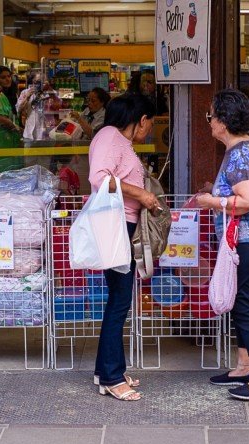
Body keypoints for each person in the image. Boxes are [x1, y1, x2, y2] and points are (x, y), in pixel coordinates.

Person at [195, 89, 249, 401]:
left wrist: (210, 201)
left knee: (244, 306)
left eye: (211, 116)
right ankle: (245, 366)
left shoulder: (241, 154)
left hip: (248, 239)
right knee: (242, 302)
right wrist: (215, 192)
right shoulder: (244, 150)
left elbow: (248, 200)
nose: (209, 123)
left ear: (224, 121)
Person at [88, 93, 159, 401]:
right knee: (119, 300)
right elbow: (99, 178)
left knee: (119, 298)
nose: (150, 130)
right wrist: (140, 195)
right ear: (141, 120)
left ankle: (106, 369)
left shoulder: (119, 141)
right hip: (116, 226)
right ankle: (112, 378)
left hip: (122, 225)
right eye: (150, 124)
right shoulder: (109, 136)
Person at [0, 65, 23, 172]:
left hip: (12, 143)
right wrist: (16, 128)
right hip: (2, 142)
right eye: (3, 77)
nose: (8, 79)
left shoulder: (8, 95)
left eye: (9, 76)